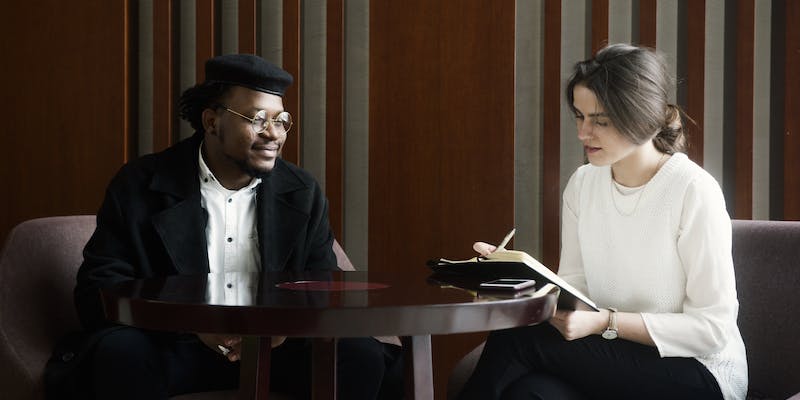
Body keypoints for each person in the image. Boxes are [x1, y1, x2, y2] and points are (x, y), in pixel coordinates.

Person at [63, 54, 403, 399]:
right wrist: (194, 324)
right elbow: (98, 290)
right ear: (212, 121)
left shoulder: (302, 192)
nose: (273, 134)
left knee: (359, 355)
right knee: (120, 354)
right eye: (258, 119)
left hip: (276, 349)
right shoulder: (139, 184)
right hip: (174, 343)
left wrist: (282, 330)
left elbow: (321, 286)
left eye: (281, 120)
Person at [457, 44, 747, 400]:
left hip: (699, 372)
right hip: (611, 357)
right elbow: (575, 292)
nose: (583, 133)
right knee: (529, 393)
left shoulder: (693, 190)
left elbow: (712, 329)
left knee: (519, 339)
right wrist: (513, 283)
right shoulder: (583, 184)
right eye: (579, 116)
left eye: (600, 121)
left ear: (643, 119)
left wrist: (606, 321)